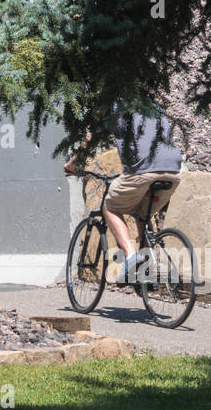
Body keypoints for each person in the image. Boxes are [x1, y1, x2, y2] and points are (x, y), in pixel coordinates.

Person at [64, 108, 184, 283]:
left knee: (110, 207)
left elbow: (91, 139)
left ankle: (130, 257)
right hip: (172, 171)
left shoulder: (115, 107)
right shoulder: (155, 107)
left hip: (143, 171)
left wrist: (72, 164)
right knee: (142, 214)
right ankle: (147, 270)